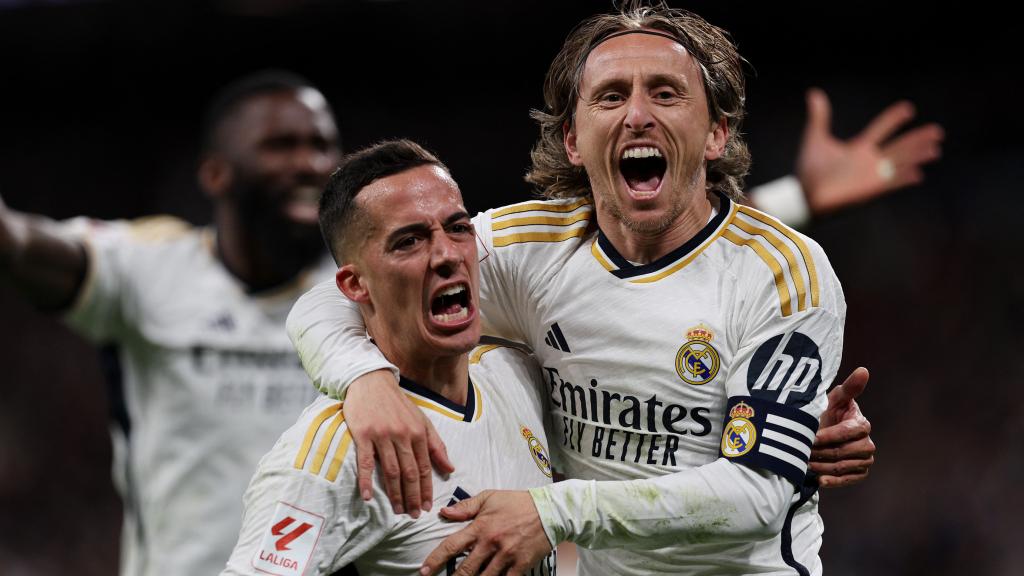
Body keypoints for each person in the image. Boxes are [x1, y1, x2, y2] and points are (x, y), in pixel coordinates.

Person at [283, 4, 908, 576]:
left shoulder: (783, 272)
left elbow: (758, 494)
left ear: (716, 133)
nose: (637, 114)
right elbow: (337, 296)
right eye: (610, 97)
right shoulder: (526, 250)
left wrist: (554, 511)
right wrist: (364, 379)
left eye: (665, 93)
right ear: (573, 140)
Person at [0, 70, 342, 576]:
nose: (310, 164)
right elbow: (23, 244)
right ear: (216, 174)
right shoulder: (150, 267)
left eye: (322, 145)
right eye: (280, 146)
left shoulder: (365, 289)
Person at [223, 139, 556, 575]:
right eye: (409, 241)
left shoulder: (516, 375)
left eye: (457, 228)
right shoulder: (336, 452)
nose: (447, 255)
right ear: (355, 285)